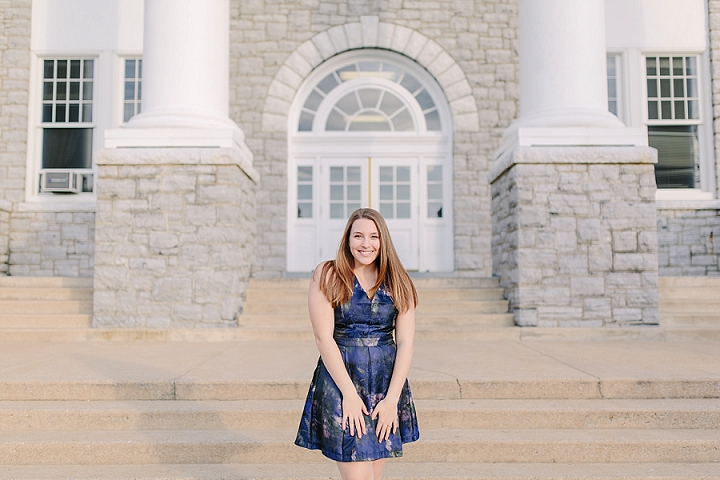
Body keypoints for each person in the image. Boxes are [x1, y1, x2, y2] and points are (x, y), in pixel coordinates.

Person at [295, 208, 420, 480]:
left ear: (383, 240)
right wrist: (349, 395)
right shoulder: (328, 273)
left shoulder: (398, 280)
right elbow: (323, 338)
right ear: (347, 239)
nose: (366, 244)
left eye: (374, 236)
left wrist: (391, 400)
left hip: (384, 387)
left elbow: (406, 343)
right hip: (342, 381)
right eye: (358, 236)